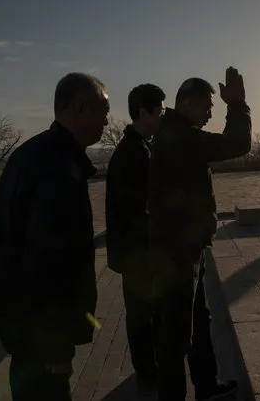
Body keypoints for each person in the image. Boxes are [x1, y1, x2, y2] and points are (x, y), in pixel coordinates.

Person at [0, 72, 110, 401]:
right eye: (103, 108)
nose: (106, 117)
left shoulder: (33, 153)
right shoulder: (59, 170)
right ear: (80, 108)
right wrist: (55, 348)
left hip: (22, 330)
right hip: (41, 341)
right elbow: (47, 265)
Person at [149, 67, 252, 401]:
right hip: (177, 251)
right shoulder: (181, 137)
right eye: (207, 105)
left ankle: (207, 386)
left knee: (197, 319)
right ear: (187, 104)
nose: (211, 111)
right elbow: (237, 143)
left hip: (182, 247)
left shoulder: (176, 133)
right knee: (177, 335)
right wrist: (237, 106)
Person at [105, 83, 166, 395]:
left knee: (144, 310)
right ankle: (147, 368)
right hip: (138, 252)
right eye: (160, 111)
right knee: (142, 312)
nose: (163, 116)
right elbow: (139, 208)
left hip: (138, 251)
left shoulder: (140, 147)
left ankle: (148, 365)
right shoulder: (133, 152)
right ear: (143, 112)